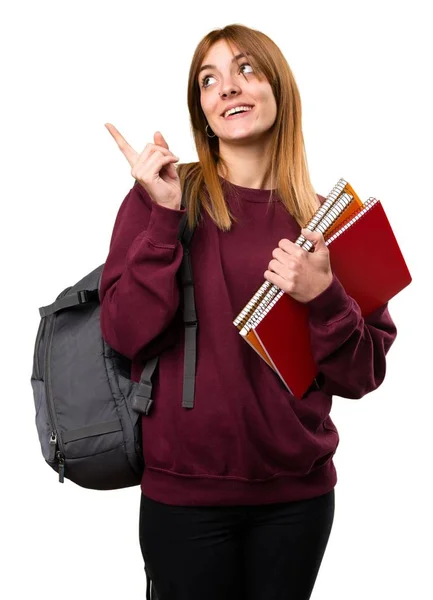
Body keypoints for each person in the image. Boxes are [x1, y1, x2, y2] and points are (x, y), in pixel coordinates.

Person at [99, 23, 397, 600]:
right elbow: (126, 335)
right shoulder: (163, 196)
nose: (228, 88)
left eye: (246, 70)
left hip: (298, 501)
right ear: (202, 110)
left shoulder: (328, 220)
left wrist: (324, 296)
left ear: (278, 88)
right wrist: (161, 222)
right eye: (209, 80)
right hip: (183, 500)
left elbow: (363, 375)